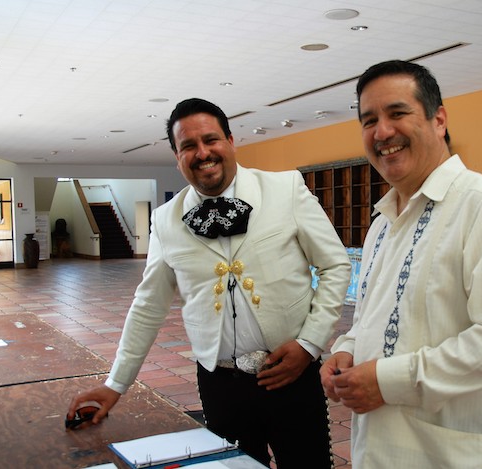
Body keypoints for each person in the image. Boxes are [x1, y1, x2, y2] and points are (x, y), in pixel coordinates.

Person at [68, 98, 351, 469]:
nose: (202, 153)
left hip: (292, 374)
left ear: (231, 141)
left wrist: (309, 344)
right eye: (188, 146)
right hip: (221, 385)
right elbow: (148, 305)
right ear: (177, 156)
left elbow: (334, 266)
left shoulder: (285, 189)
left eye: (211, 140)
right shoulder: (166, 220)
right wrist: (114, 385)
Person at [320, 60, 482, 468]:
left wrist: (388, 381)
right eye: (369, 120)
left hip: (453, 453)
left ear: (438, 118)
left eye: (398, 113)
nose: (382, 132)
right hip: (381, 448)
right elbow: (375, 315)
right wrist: (347, 349)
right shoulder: (383, 223)